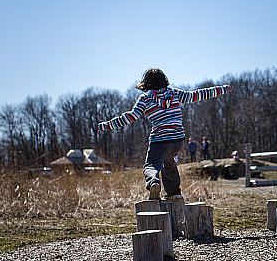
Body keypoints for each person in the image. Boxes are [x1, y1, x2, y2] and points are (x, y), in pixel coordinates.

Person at [97, 68, 231, 200]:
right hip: (177, 139)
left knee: (151, 165)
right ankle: (174, 191)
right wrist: (222, 89)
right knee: (169, 163)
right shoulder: (174, 93)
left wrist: (107, 125)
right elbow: (197, 95)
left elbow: (131, 116)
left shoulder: (145, 98)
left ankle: (153, 182)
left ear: (146, 83)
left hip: (160, 139)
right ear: (164, 80)